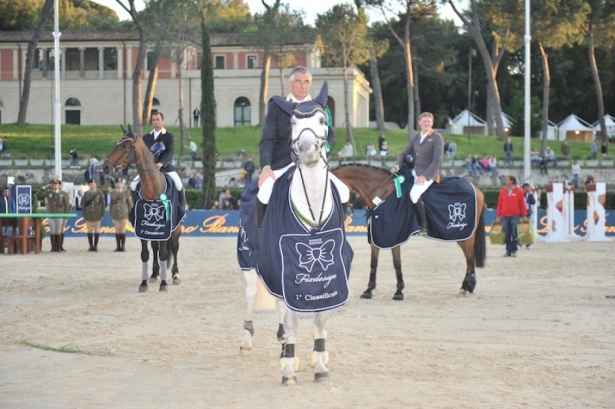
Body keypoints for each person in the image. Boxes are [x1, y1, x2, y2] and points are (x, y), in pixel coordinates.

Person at [258, 66, 336, 189]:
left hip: (314, 164)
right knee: (264, 193)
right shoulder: (276, 108)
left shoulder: (320, 108)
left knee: (341, 192)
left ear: (310, 84)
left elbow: (330, 136)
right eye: (298, 81)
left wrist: (319, 154)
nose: (302, 86)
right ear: (290, 84)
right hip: (283, 165)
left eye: (306, 82)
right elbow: (268, 139)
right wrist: (266, 167)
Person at [391, 111, 444, 236]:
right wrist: (397, 165)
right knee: (399, 190)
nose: (426, 123)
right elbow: (403, 154)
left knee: (414, 195)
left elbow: (437, 160)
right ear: (420, 122)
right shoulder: (416, 137)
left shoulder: (437, 137)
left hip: (428, 173)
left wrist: (425, 176)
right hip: (414, 171)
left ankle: (424, 226)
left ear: (432, 123)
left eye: (429, 122)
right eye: (424, 121)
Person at [131, 111, 186, 210]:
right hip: (148, 169)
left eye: (158, 120)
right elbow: (142, 153)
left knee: (179, 185)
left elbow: (170, 151)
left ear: (162, 121)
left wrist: (162, 162)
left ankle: (181, 209)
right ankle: (134, 208)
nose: (156, 122)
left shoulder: (168, 136)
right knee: (133, 185)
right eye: (153, 120)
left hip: (165, 168)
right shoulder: (146, 137)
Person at [496, 175, 527, 257]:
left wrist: (524, 215)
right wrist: (498, 216)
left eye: (507, 180)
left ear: (512, 181)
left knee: (514, 233)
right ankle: (508, 250)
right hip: (505, 216)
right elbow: (499, 205)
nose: (506, 181)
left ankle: (514, 250)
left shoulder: (519, 191)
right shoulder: (502, 191)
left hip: (515, 215)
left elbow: (522, 204)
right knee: (507, 234)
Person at [37, 179, 70, 252]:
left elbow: (67, 205)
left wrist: (66, 215)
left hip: (60, 213)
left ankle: (58, 247)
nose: (55, 186)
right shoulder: (49, 193)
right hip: (51, 213)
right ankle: (53, 247)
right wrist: (45, 187)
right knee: (52, 231)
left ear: (59, 185)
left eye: (56, 184)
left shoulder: (63, 194)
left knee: (58, 231)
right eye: (53, 184)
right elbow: (39, 195)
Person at [109, 179, 133, 252]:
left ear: (122, 184)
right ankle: (118, 246)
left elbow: (130, 204)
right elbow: (111, 204)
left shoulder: (126, 192)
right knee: (117, 230)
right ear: (116, 185)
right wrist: (111, 213)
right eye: (117, 183)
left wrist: (129, 214)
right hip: (115, 213)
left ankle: (123, 246)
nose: (119, 185)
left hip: (123, 214)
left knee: (122, 230)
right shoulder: (113, 192)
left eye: (120, 183)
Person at [82, 180, 106, 252]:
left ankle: (95, 246)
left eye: (93, 184)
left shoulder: (99, 193)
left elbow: (103, 205)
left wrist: (102, 214)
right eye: (91, 184)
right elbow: (83, 205)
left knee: (96, 230)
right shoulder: (86, 194)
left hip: (97, 214)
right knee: (89, 230)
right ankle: (90, 246)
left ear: (95, 185)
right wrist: (84, 215)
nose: (92, 185)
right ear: (89, 185)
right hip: (88, 214)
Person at [521, 183, 536, 250]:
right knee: (520, 230)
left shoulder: (529, 195)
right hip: (521, 214)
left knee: (528, 230)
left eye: (528, 188)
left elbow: (533, 202)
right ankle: (520, 244)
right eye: (526, 188)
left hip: (528, 214)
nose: (527, 189)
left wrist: (531, 195)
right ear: (523, 188)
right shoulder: (520, 195)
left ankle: (528, 244)